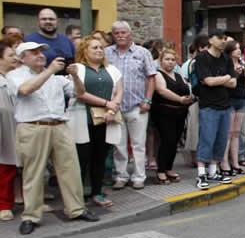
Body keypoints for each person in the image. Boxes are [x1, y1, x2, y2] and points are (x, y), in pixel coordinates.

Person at [6, 41, 99, 235]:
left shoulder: (56, 78)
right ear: (23, 58)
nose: (40, 55)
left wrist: (74, 76)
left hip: (59, 126)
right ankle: (31, 215)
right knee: (33, 173)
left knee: (70, 169)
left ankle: (76, 209)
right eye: (34, 52)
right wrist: (49, 71)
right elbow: (24, 90)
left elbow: (79, 93)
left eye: (41, 51)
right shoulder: (15, 75)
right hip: (32, 127)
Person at [68, 35, 123, 208]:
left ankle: (97, 192)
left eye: (100, 47)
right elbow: (79, 93)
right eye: (94, 47)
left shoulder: (112, 70)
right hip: (83, 120)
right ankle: (77, 196)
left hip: (106, 120)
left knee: (100, 157)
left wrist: (112, 109)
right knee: (81, 158)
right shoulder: (77, 69)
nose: (99, 50)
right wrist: (107, 103)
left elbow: (120, 92)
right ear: (84, 51)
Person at [105, 21, 157, 190]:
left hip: (137, 105)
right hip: (115, 107)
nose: (120, 36)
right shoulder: (107, 53)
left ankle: (139, 177)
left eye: (123, 33)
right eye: (116, 33)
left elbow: (151, 77)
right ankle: (121, 175)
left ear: (130, 34)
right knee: (118, 145)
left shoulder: (142, 53)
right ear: (113, 36)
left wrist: (147, 100)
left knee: (138, 144)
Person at [193, 32, 236, 190]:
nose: (223, 41)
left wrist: (220, 79)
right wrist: (225, 78)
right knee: (207, 138)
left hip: (225, 104)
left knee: (221, 140)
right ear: (210, 40)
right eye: (219, 38)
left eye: (225, 38)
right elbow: (208, 81)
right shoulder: (202, 57)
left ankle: (213, 171)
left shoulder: (226, 58)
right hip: (208, 105)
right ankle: (201, 173)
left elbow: (233, 83)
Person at [150, 48, 193, 184]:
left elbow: (187, 87)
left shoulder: (178, 75)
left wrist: (189, 98)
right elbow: (162, 91)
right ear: (161, 60)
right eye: (167, 59)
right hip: (164, 112)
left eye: (173, 60)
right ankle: (161, 170)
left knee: (174, 142)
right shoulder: (158, 74)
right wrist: (180, 99)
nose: (170, 62)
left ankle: (169, 168)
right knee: (167, 140)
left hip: (180, 113)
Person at [221, 40, 245, 178]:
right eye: (235, 49)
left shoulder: (243, 65)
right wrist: (236, 74)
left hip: (242, 99)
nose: (239, 51)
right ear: (229, 51)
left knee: (237, 133)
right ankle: (224, 162)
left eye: (240, 48)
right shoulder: (226, 64)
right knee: (228, 133)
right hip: (229, 99)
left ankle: (235, 162)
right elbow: (228, 82)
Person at [181, 34, 209, 167]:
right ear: (200, 48)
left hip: (206, 100)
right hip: (196, 100)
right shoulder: (192, 63)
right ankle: (194, 158)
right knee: (194, 130)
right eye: (206, 47)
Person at [0, 40, 19, 221]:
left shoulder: (17, 76)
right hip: (4, 126)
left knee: (26, 166)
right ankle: (4, 205)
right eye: (11, 55)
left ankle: (29, 200)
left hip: (21, 124)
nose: (16, 58)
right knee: (5, 167)